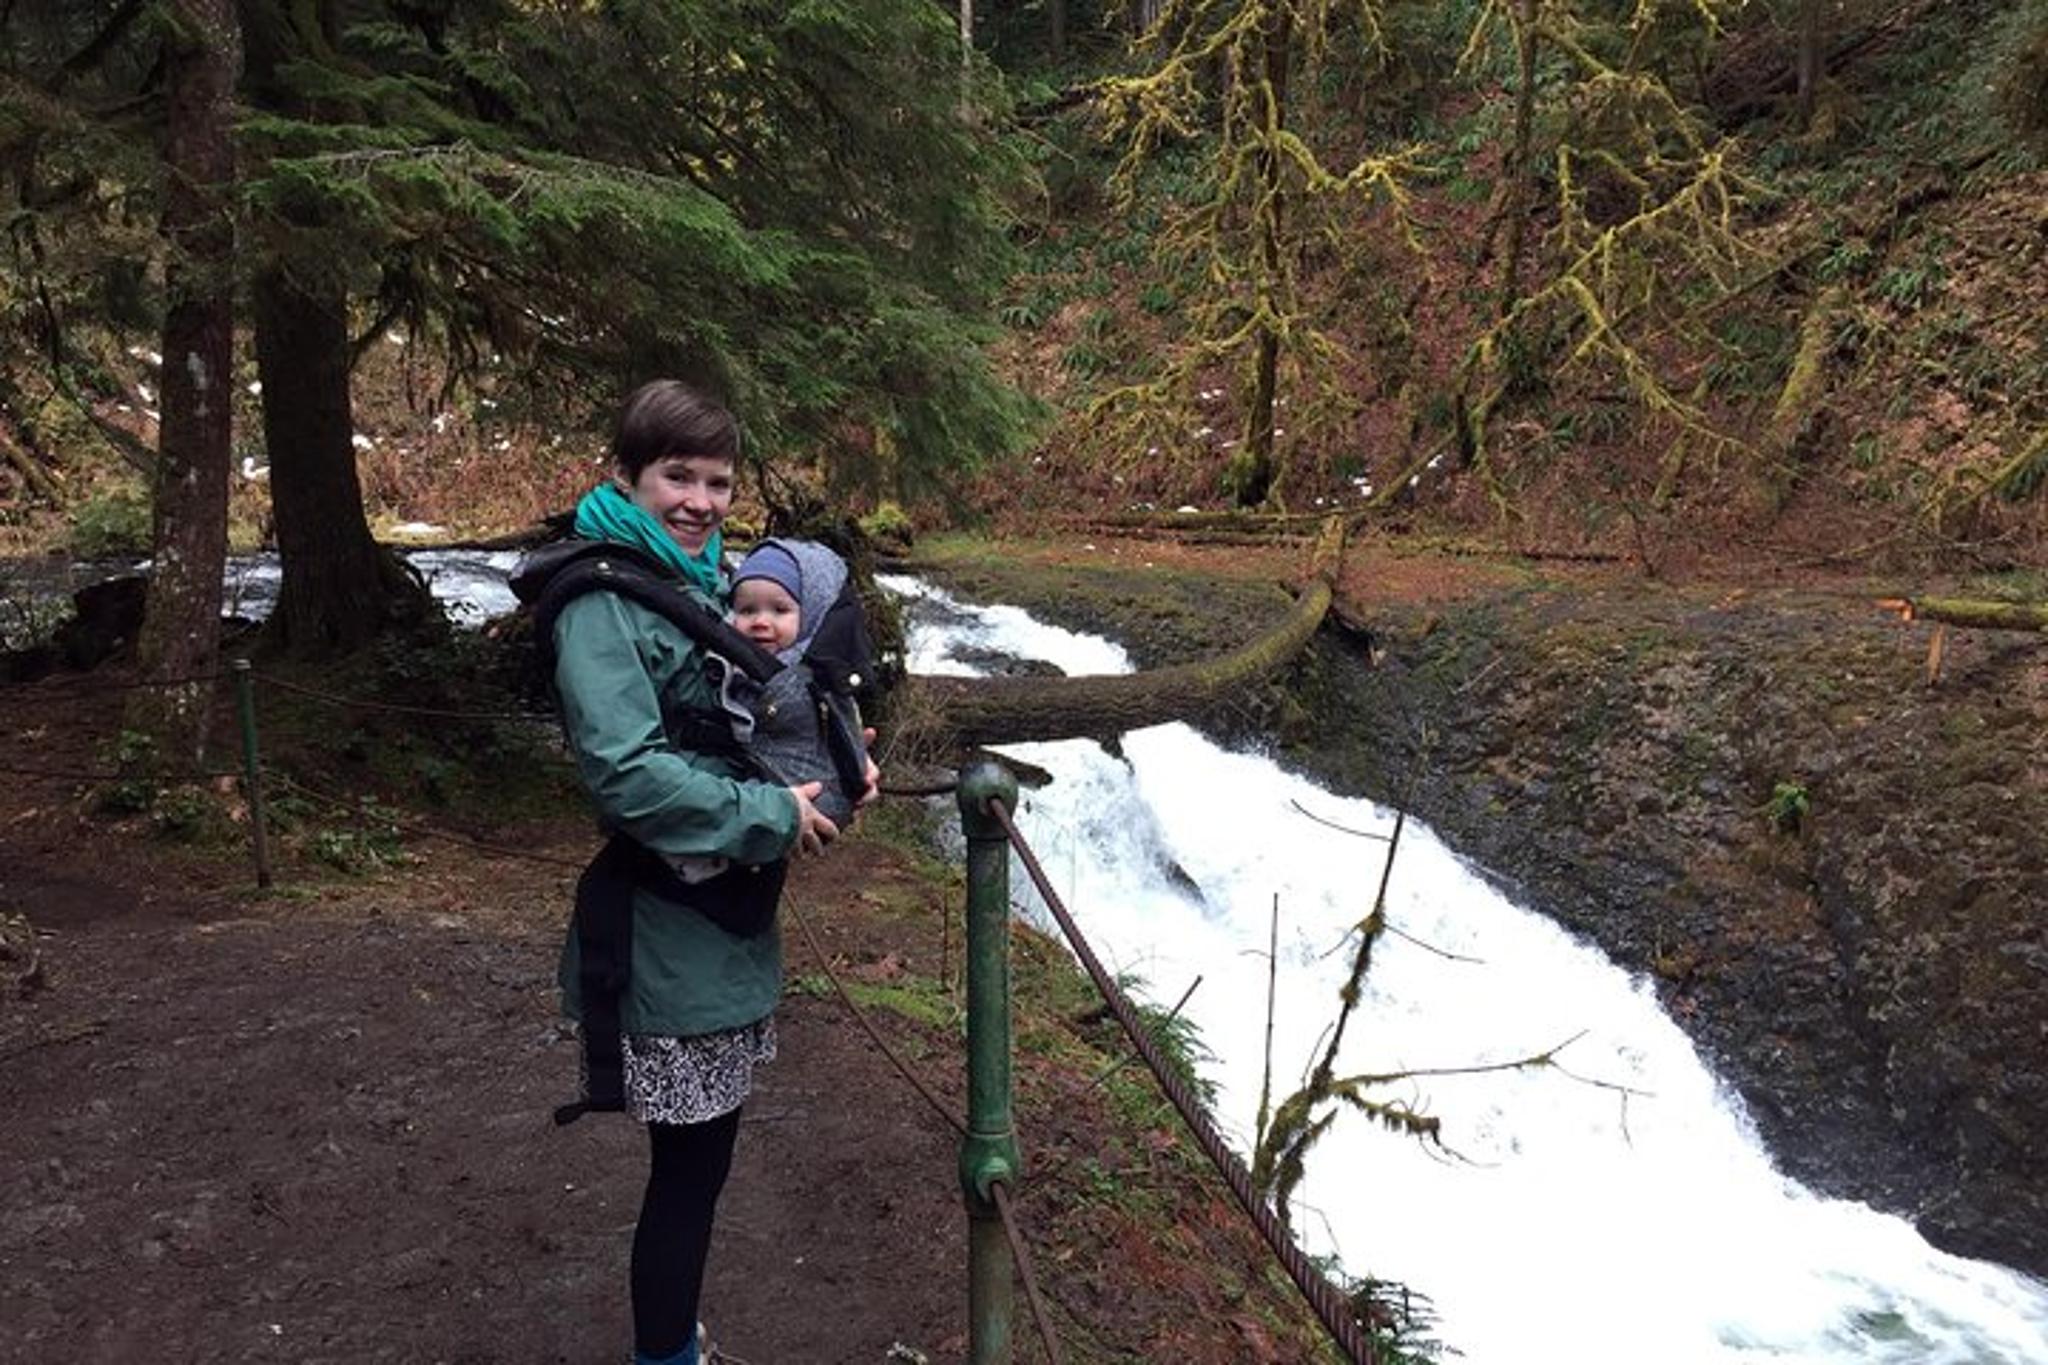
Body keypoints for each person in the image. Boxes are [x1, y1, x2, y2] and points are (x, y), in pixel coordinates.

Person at [511, 379, 869, 1365]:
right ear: (626, 476)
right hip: (668, 933)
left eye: (717, 482)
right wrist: (773, 812)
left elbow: (749, 717)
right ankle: (668, 1355)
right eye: (677, 476)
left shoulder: (696, 584)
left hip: (717, 927)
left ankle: (675, 1342)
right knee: (688, 1174)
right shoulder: (603, 601)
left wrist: (837, 761)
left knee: (699, 1168)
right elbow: (624, 775)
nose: (701, 502)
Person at [727, 538, 874, 831]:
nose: (760, 621)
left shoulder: (811, 673)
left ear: (810, 614)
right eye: (746, 610)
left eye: (779, 610)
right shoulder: (735, 660)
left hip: (805, 803)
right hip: (761, 808)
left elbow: (844, 726)